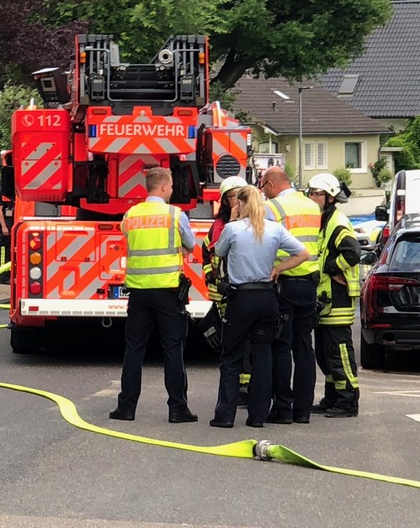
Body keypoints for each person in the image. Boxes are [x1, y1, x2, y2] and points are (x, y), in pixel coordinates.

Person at [210, 185, 310, 427]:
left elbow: (218, 254)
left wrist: (233, 218)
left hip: (241, 298)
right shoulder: (275, 229)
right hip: (267, 298)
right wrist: (278, 269)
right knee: (263, 356)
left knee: (231, 357)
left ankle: (225, 416)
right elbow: (303, 254)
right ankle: (258, 417)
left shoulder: (233, 229)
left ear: (241, 204)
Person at [110, 167, 198, 424]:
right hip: (168, 292)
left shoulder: (131, 215)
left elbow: (130, 237)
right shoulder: (175, 215)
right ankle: (177, 409)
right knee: (172, 349)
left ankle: (126, 407)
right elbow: (190, 245)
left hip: (138, 292)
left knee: (134, 349)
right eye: (170, 186)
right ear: (162, 187)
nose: (171, 190)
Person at [260, 165, 322, 424]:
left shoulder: (272, 208)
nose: (263, 193)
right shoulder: (312, 206)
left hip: (283, 280)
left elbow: (261, 243)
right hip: (309, 283)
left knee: (281, 346)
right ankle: (303, 410)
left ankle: (283, 409)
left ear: (272, 185)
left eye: (263, 188)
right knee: (304, 346)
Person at [306, 172, 362, 418]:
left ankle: (348, 400)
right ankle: (332, 397)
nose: (311, 197)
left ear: (329, 197)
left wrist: (330, 267)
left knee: (339, 352)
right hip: (326, 299)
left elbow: (352, 252)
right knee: (326, 354)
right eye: (310, 193)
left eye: (315, 193)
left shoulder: (337, 221)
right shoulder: (323, 219)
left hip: (338, 299)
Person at [201, 175, 249, 401]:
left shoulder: (258, 222)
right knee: (231, 343)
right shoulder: (219, 227)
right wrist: (212, 280)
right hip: (224, 295)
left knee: (249, 342)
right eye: (231, 197)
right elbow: (208, 256)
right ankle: (237, 388)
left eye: (240, 196)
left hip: (248, 292)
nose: (236, 201)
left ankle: (247, 386)